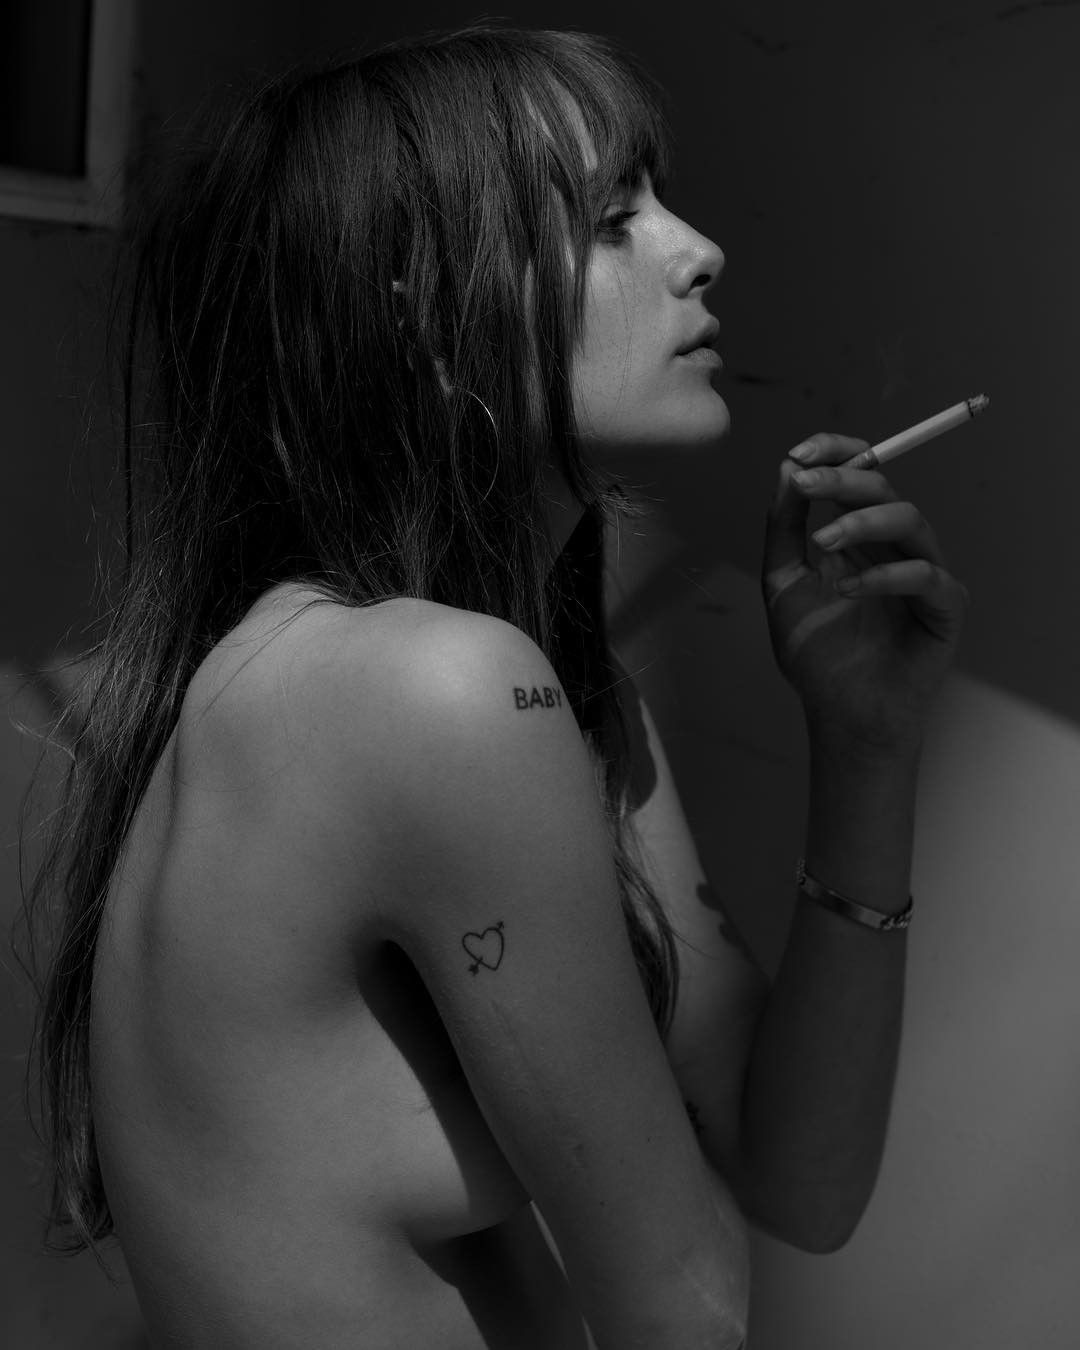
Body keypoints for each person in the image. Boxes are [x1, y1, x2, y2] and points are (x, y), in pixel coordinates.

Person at [17, 22, 968, 1350]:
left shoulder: (530, 695)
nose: (700, 249)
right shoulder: (438, 693)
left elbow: (798, 1183)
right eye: (612, 220)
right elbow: (689, 1307)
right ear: (421, 308)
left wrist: (866, 746)